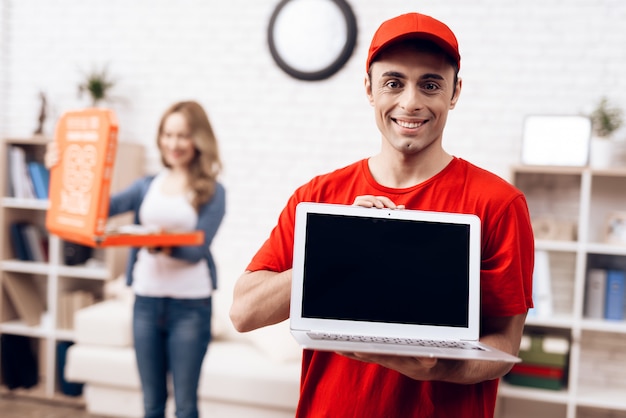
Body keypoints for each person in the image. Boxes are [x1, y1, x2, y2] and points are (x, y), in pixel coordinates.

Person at [229, 12, 534, 418]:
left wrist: (437, 366)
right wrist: (337, 247)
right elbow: (244, 312)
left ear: (455, 93)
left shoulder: (499, 204)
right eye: (394, 82)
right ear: (370, 89)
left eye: (430, 84)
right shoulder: (319, 196)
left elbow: (505, 346)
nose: (410, 102)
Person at [47, 101, 226, 418]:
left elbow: (197, 249)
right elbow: (98, 209)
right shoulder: (147, 185)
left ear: (199, 139)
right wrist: (62, 170)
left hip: (191, 307)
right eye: (167, 134)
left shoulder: (213, 191)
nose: (173, 143)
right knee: (151, 403)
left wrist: (158, 244)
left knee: (185, 406)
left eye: (183, 135)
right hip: (145, 302)